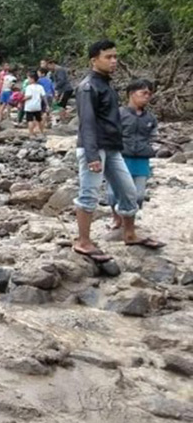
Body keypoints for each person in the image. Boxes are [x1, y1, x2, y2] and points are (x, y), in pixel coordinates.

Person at [73, 40, 164, 263]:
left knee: (129, 191)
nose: (114, 61)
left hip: (112, 148)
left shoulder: (106, 85)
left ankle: (130, 233)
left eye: (115, 56)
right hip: (93, 147)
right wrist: (93, 155)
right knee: (89, 195)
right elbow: (87, 122)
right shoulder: (88, 87)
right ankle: (83, 241)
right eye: (108, 57)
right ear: (94, 60)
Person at [108, 80, 158, 230]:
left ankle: (130, 222)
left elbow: (153, 136)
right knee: (113, 194)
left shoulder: (150, 118)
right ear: (131, 94)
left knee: (139, 196)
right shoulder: (118, 114)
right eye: (143, 93)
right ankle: (116, 218)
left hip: (142, 159)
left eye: (149, 93)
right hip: (120, 157)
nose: (147, 96)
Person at [23, 71, 46, 136]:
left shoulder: (29, 87)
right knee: (39, 119)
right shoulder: (40, 87)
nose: (28, 80)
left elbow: (29, 96)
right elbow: (43, 96)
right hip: (37, 106)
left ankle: (31, 134)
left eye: (28, 78)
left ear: (32, 79)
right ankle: (42, 132)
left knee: (30, 120)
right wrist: (46, 105)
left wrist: (22, 99)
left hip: (29, 106)